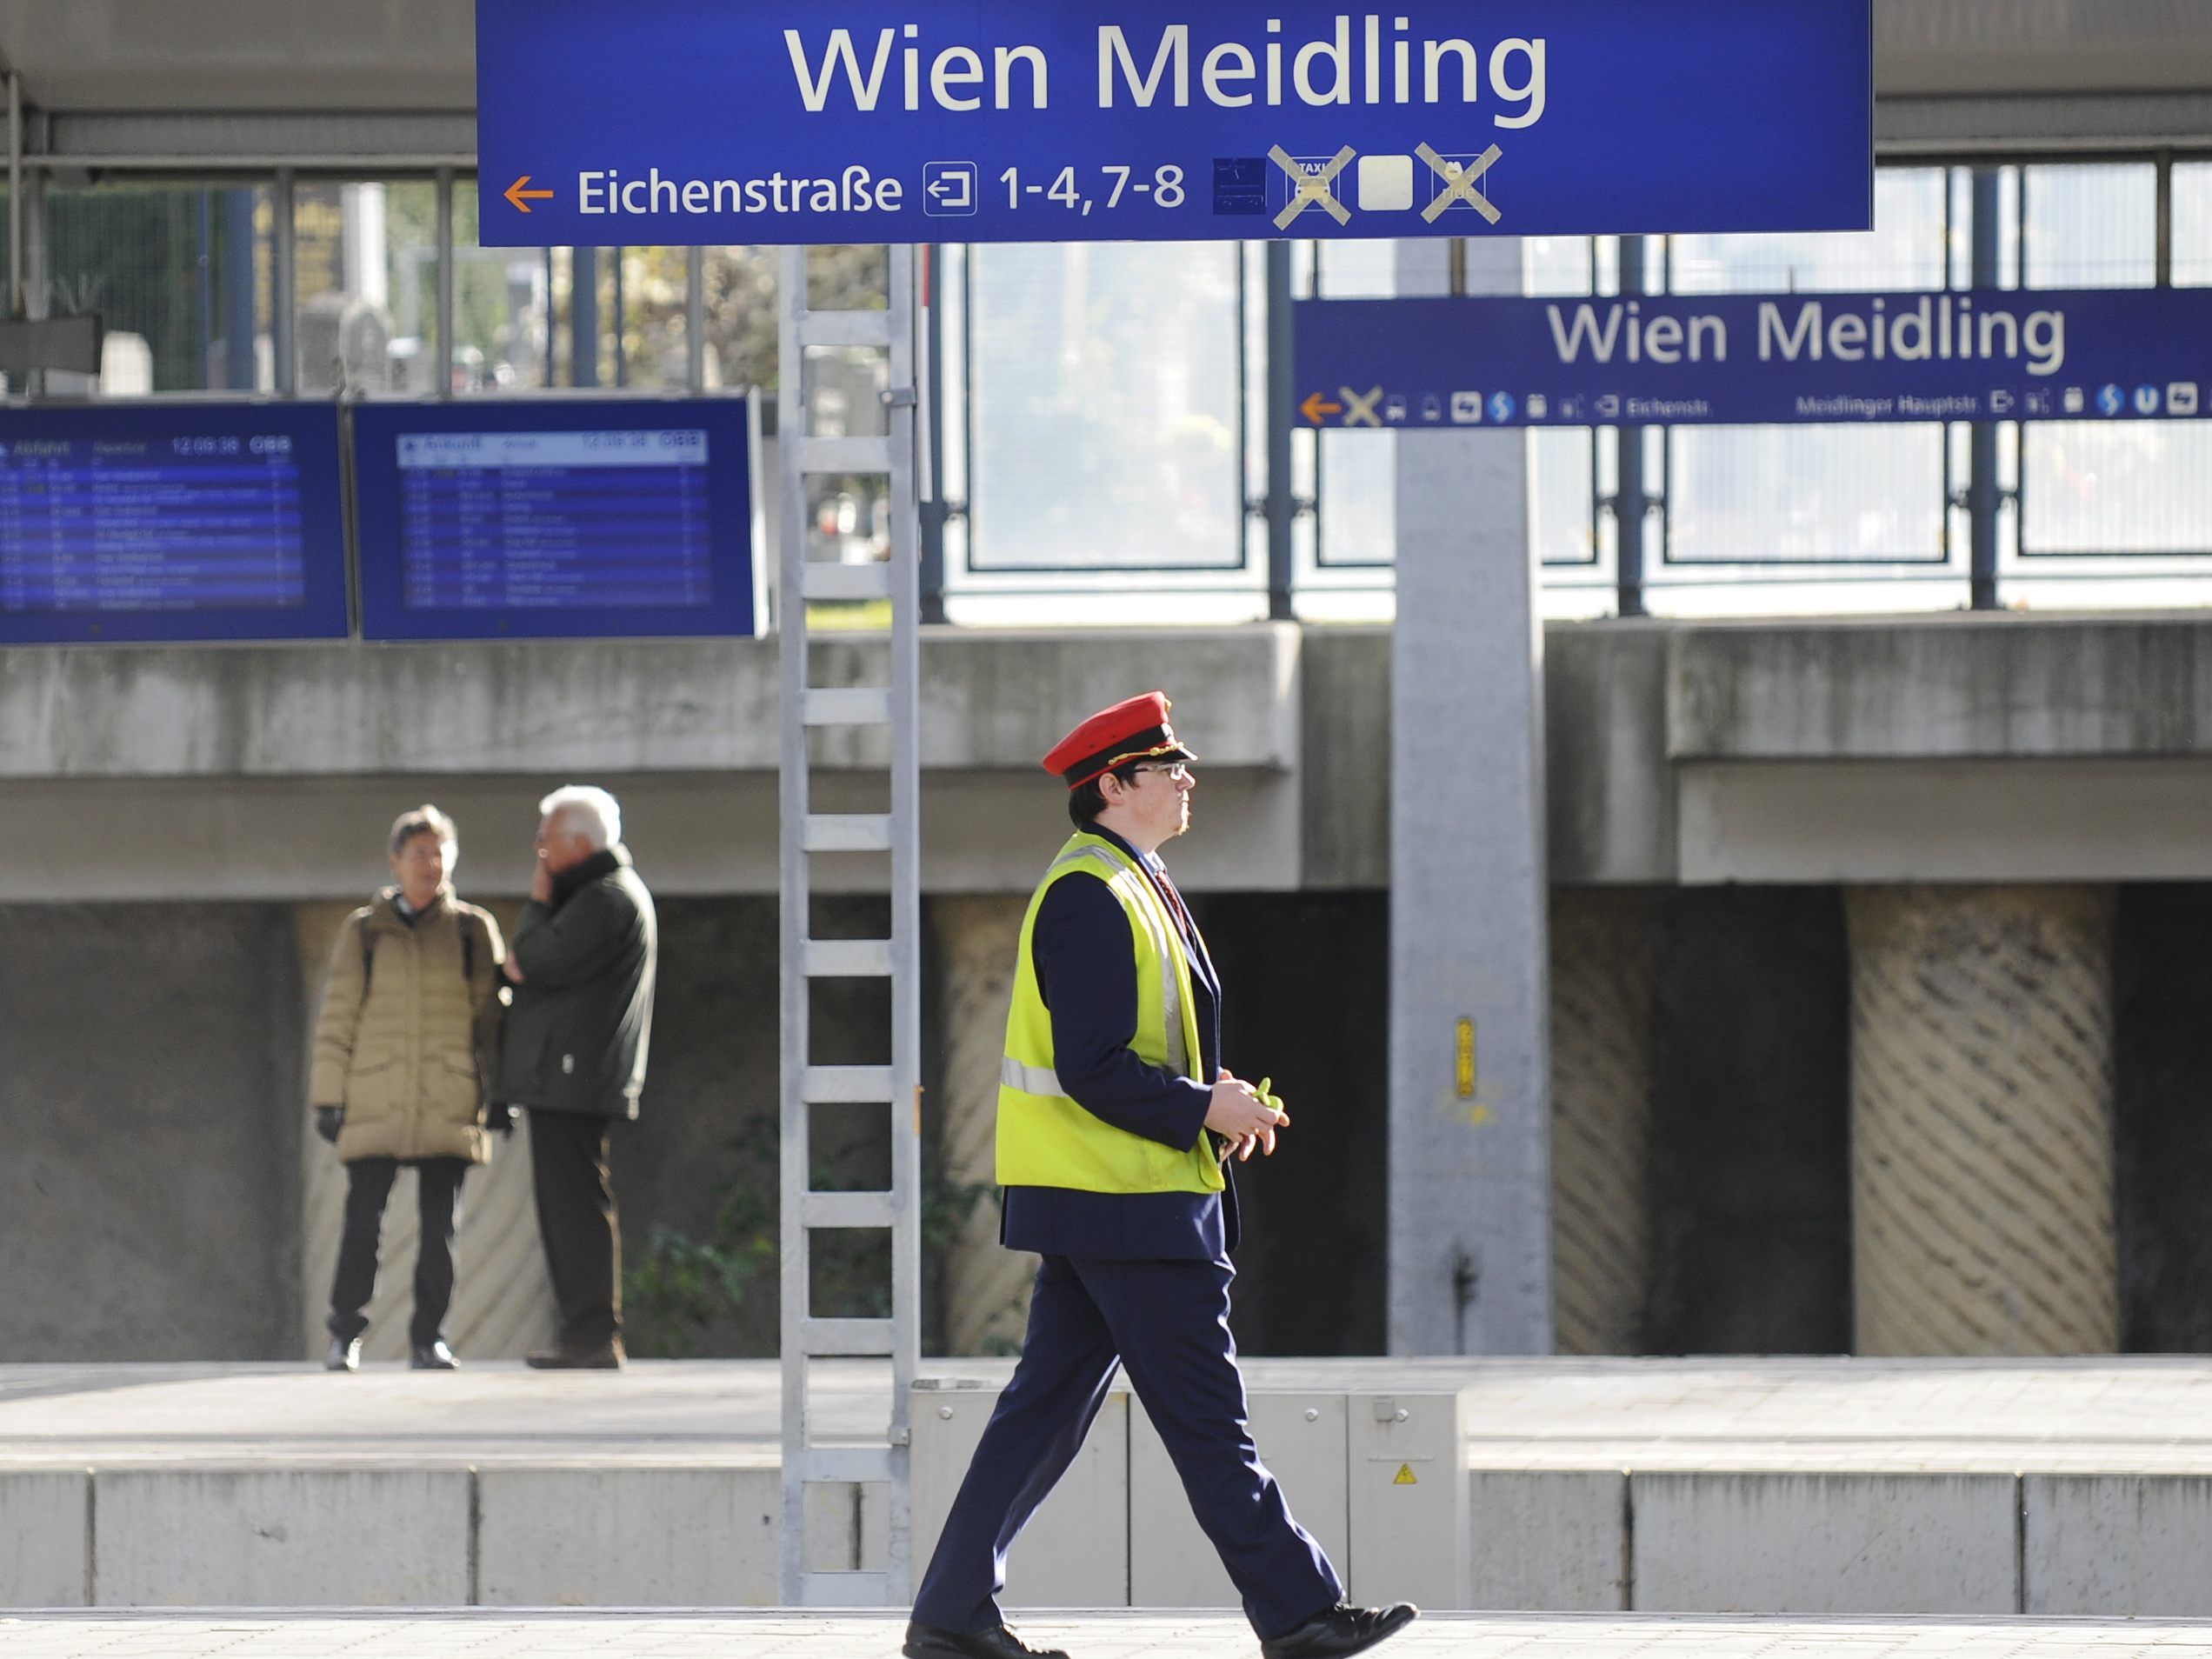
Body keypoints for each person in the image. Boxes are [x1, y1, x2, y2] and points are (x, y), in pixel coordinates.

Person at [905, 694, 1416, 1659]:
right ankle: (1301, 1613)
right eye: (1166, 765)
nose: (1187, 779)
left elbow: (1132, 1049)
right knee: (1207, 1419)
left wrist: (1211, 1097)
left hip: (1116, 1197)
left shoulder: (1132, 880)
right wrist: (1197, 1110)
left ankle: (950, 1616)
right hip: (1129, 1205)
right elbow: (1094, 1066)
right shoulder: (1093, 894)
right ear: (1113, 786)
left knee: (1043, 1416)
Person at [310, 803, 509, 1373]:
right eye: (418, 853)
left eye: (440, 852)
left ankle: (430, 1338)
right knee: (362, 1225)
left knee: (439, 1229)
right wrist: (328, 1097)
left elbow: (492, 1021)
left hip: (447, 1096)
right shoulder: (365, 931)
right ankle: (344, 1334)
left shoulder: (473, 931)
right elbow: (338, 1016)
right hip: (377, 1096)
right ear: (395, 861)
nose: (431, 864)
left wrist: (501, 1094)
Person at [496, 784, 657, 1370]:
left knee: (575, 1205)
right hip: (574, 1074)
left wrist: (538, 904)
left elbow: (533, 959)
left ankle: (591, 1335)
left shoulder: (604, 899)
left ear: (579, 843)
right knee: (570, 1202)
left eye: (545, 842)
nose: (538, 853)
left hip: (574, 1075)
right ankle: (584, 1333)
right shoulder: (602, 894)